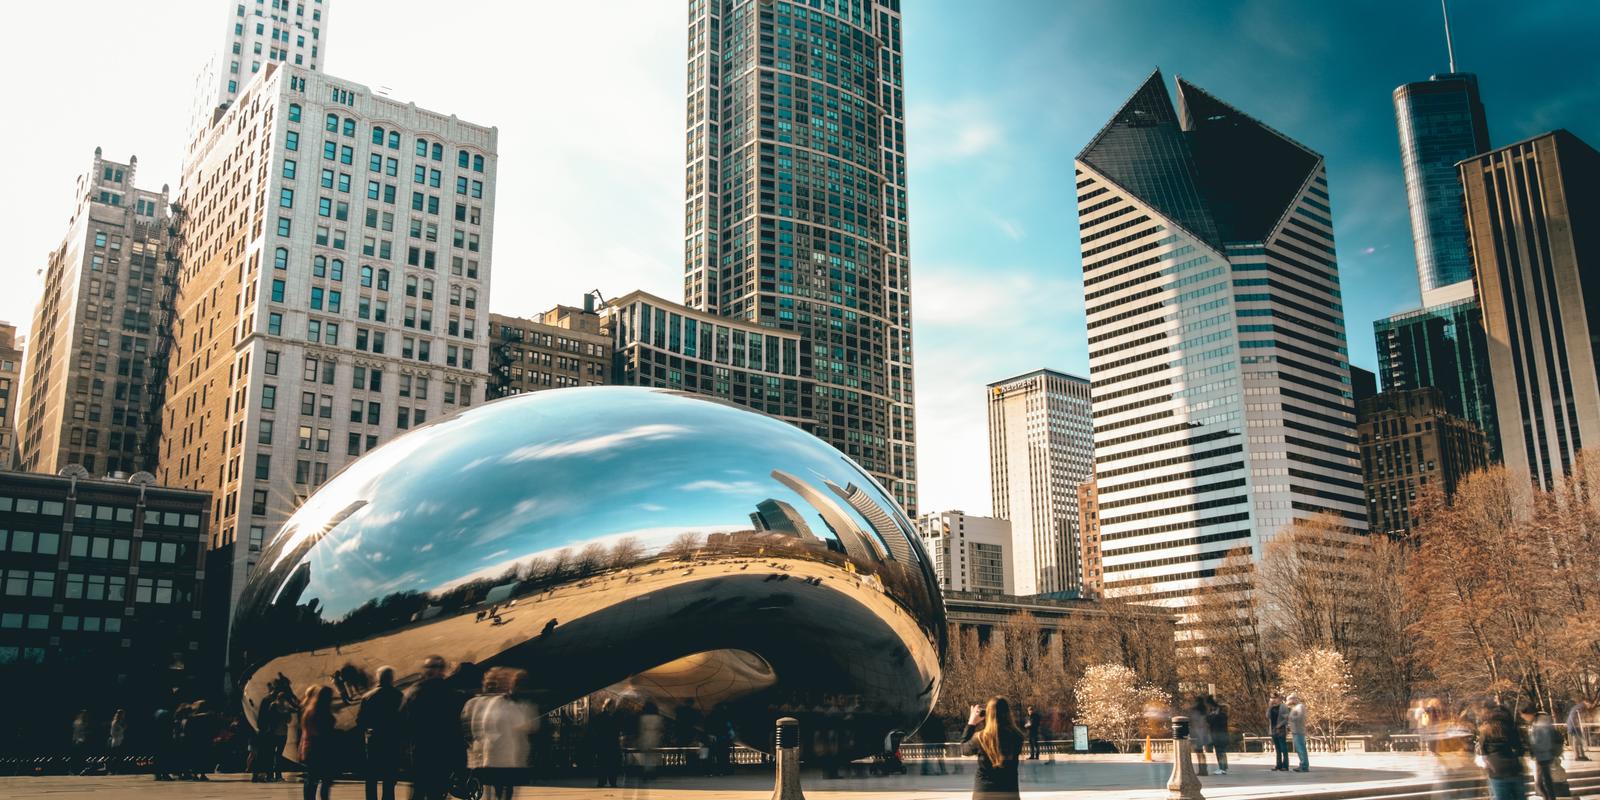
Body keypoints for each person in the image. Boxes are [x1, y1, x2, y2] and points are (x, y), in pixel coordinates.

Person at [463, 667, 536, 800]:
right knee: (494, 787)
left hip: (507, 753)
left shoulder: (512, 703)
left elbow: (524, 724)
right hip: (494, 752)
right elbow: (482, 726)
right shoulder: (490, 702)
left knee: (505, 787)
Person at [403, 655, 466, 800]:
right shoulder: (451, 693)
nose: (434, 671)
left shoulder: (413, 692)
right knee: (435, 793)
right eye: (431, 667)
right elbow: (456, 728)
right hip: (440, 752)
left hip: (421, 751)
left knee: (419, 792)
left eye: (436, 667)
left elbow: (403, 723)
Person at [960, 697, 1024, 800]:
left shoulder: (980, 738)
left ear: (988, 714)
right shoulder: (1017, 737)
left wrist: (971, 723)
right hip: (1009, 792)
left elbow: (964, 749)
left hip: (984, 792)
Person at [359, 666, 404, 800]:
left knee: (371, 777)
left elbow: (360, 721)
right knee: (389, 778)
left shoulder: (367, 697)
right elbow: (403, 719)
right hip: (392, 740)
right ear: (391, 678)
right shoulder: (398, 696)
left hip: (374, 740)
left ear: (378, 678)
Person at [1476, 703, 1529, 800]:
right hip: (1514, 768)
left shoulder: (1485, 730)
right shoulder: (1512, 728)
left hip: (1496, 770)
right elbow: (1520, 749)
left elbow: (1482, 751)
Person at [299, 685, 338, 800]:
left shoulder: (310, 711)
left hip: (311, 747)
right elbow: (323, 732)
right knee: (324, 780)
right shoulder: (322, 713)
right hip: (321, 748)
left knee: (312, 779)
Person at [586, 698, 622, 787]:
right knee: (610, 764)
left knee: (603, 763)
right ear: (607, 707)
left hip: (603, 745)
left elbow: (594, 731)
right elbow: (616, 732)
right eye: (613, 706)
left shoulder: (599, 717)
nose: (614, 708)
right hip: (609, 745)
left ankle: (602, 781)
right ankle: (611, 782)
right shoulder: (612, 718)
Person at [1528, 711, 1563, 800]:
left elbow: (1541, 742)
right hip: (1542, 756)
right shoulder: (1539, 723)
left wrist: (1535, 752)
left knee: (1543, 781)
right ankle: (1548, 797)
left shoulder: (1540, 724)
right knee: (1543, 781)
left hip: (1543, 756)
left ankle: (1549, 798)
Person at [1206, 699, 1230, 775]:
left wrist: (1213, 714)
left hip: (1219, 737)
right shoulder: (1223, 715)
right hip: (1222, 736)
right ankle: (1223, 768)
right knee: (1221, 752)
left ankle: (1222, 768)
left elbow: (1209, 721)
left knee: (1220, 752)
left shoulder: (1219, 716)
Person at [1188, 696, 1211, 776]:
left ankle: (1202, 769)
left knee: (1198, 752)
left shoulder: (1195, 711)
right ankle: (1203, 769)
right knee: (1200, 752)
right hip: (1203, 733)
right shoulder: (1204, 710)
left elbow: (1195, 723)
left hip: (1197, 733)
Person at [1287, 694, 1309, 772]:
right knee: (1299, 749)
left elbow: (1300, 717)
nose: (1288, 702)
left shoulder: (1300, 707)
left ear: (1293, 699)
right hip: (1295, 731)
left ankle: (1304, 766)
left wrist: (1289, 717)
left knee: (1301, 748)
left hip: (1299, 731)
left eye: (1289, 700)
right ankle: (1302, 764)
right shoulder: (1295, 707)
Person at [1267, 695, 1289, 771]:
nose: (1273, 700)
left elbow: (1287, 718)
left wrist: (1281, 724)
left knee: (1283, 748)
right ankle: (1278, 765)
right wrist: (1269, 706)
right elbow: (1267, 716)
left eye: (1274, 698)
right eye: (1272, 698)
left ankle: (1285, 765)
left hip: (1281, 730)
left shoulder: (1283, 706)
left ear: (1278, 699)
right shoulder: (1272, 707)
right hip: (1273, 730)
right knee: (1277, 749)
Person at [106, 710, 127, 775]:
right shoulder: (115, 722)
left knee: (119, 757)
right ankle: (111, 770)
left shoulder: (121, 722)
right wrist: (122, 729)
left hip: (121, 740)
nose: (124, 716)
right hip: (116, 741)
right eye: (123, 714)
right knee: (115, 757)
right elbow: (112, 733)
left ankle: (117, 770)